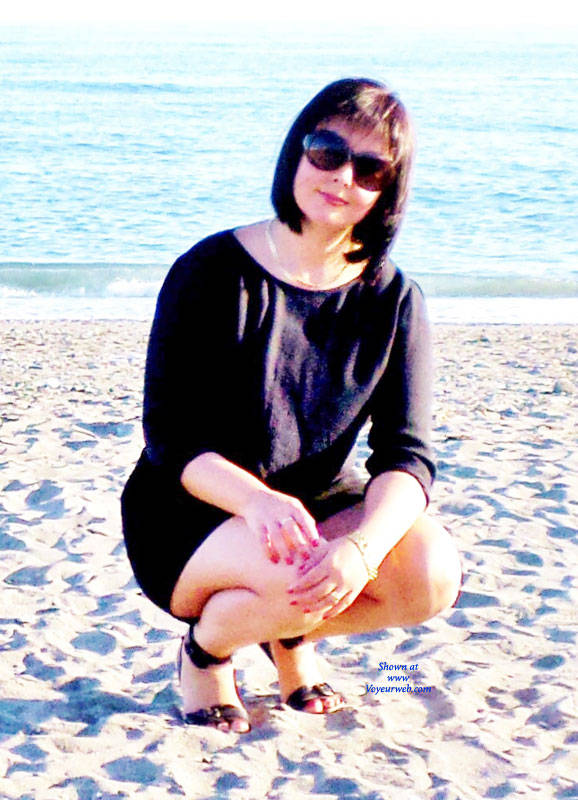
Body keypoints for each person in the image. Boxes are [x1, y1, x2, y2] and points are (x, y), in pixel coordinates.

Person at [121, 78, 461, 734]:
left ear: (388, 190)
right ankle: (208, 650)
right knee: (298, 571)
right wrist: (257, 502)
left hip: (315, 506)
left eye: (370, 169)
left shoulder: (394, 300)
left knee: (431, 573)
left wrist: (363, 547)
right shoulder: (211, 271)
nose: (342, 177)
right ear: (297, 151)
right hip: (190, 510)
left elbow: (406, 455)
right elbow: (170, 434)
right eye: (327, 151)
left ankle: (288, 634)